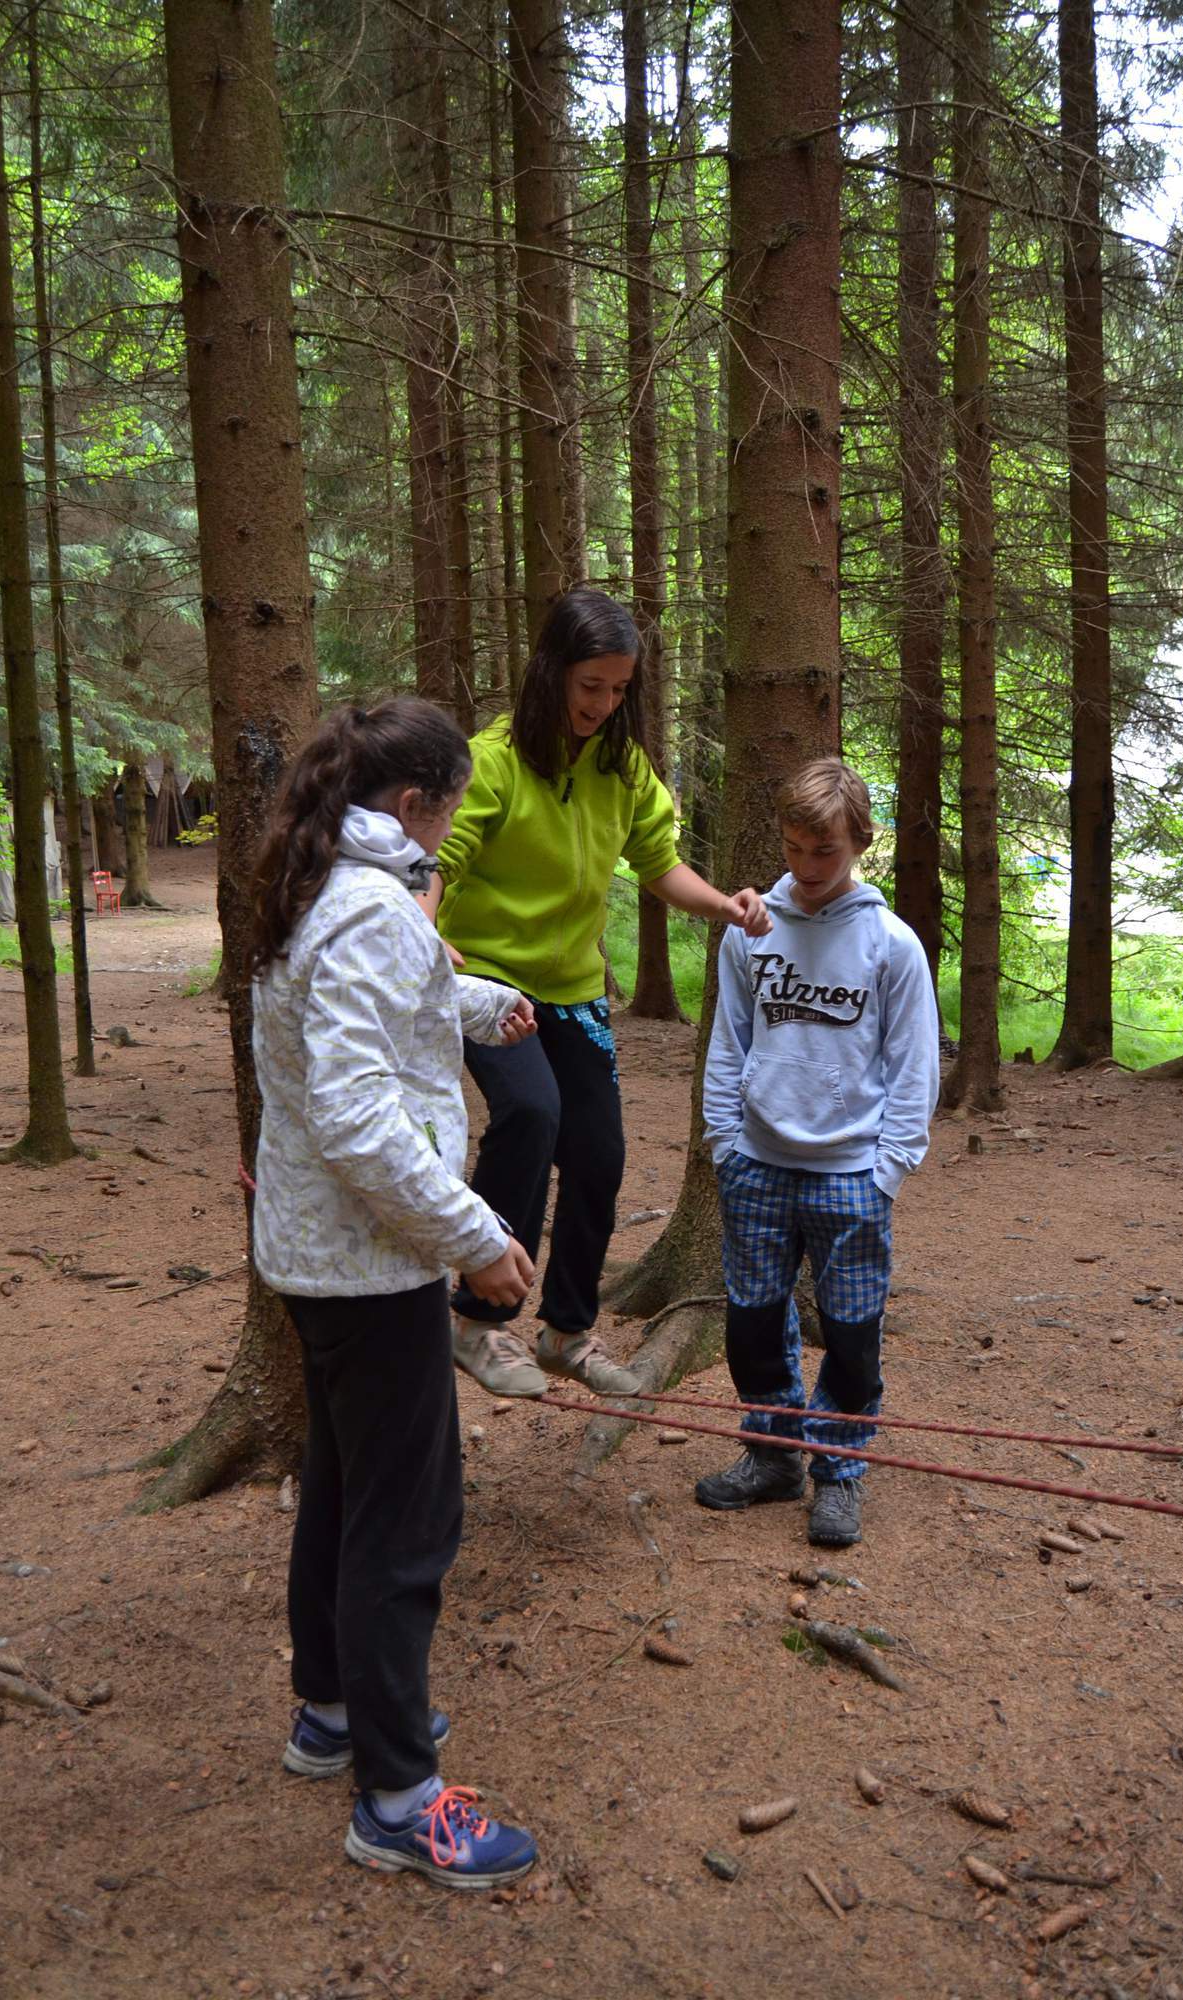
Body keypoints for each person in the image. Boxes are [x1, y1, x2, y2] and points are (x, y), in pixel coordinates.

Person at [250, 696, 539, 1888]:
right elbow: (359, 1113)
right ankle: (399, 1796)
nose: (455, 824)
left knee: (343, 1489)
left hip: (322, 1255)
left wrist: (473, 1003)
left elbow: (357, 1018)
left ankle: (333, 1710)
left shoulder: (323, 880)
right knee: (405, 1519)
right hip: (369, 1262)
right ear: (415, 803)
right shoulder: (371, 905)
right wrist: (475, 1235)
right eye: (454, 806)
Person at [420, 586, 771, 1399]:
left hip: (575, 989)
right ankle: (476, 1320)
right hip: (487, 979)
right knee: (531, 1113)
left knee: (599, 1152)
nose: (604, 704)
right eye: (590, 686)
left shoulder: (622, 767)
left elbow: (658, 864)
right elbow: (438, 859)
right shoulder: (493, 761)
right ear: (551, 670)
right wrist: (422, 929)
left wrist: (723, 906)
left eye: (618, 689)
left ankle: (567, 1331)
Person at [694, 757, 939, 1548]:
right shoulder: (750, 930)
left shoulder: (890, 944)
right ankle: (772, 1456)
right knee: (752, 1323)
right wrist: (725, 1144)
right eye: (794, 848)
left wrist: (887, 1170)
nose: (805, 866)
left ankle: (838, 1469)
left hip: (851, 1172)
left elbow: (913, 1065)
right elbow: (728, 1042)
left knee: (852, 1331)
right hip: (756, 1164)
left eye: (823, 850)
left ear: (859, 842)